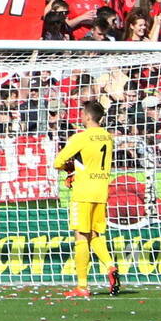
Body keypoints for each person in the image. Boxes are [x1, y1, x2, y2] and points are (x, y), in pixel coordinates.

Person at [53, 99, 119, 298]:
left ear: (88, 116)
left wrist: (69, 169)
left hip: (82, 192)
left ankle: (82, 285)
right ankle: (110, 265)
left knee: (81, 237)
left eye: (82, 113)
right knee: (95, 234)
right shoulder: (107, 137)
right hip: (101, 191)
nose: (80, 116)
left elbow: (58, 161)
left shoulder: (81, 138)